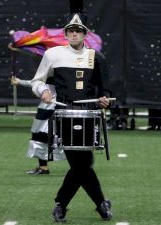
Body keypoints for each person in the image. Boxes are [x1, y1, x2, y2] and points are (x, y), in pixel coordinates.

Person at [30, 14, 112, 222]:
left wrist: (104, 99)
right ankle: (98, 203)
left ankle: (62, 204)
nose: (74, 33)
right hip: (63, 114)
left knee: (81, 164)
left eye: (78, 30)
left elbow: (105, 89)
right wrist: (43, 91)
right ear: (65, 33)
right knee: (81, 163)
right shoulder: (53, 54)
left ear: (85, 34)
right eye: (70, 30)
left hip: (89, 116)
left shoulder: (96, 57)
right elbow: (37, 81)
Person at [11, 76, 65, 175]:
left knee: (67, 139)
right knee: (39, 138)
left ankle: (80, 166)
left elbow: (37, 82)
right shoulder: (48, 68)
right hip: (47, 108)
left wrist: (20, 82)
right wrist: (20, 82)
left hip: (60, 107)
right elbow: (37, 82)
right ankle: (43, 167)